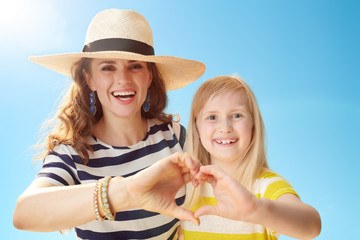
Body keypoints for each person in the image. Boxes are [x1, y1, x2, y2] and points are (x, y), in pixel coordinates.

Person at [13, 9, 205, 239]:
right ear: (89, 79)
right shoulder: (72, 153)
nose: (123, 78)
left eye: (135, 66)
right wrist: (127, 192)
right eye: (107, 67)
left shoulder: (174, 136)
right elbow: (24, 214)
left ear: (149, 77)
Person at [181, 76, 321, 239]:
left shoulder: (265, 185)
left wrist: (256, 210)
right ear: (196, 127)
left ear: (254, 124)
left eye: (237, 115)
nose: (225, 128)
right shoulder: (187, 188)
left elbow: (312, 225)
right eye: (212, 117)